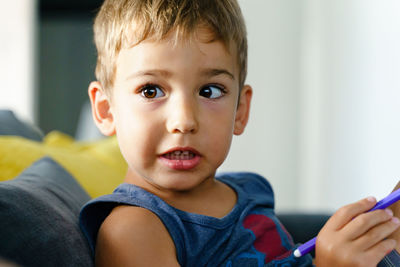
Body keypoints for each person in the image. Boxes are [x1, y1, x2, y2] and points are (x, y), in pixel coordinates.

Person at [79, 0, 400, 266]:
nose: (184, 120)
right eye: (151, 91)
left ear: (240, 111)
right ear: (107, 111)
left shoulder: (248, 191)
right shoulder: (133, 230)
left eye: (209, 91)